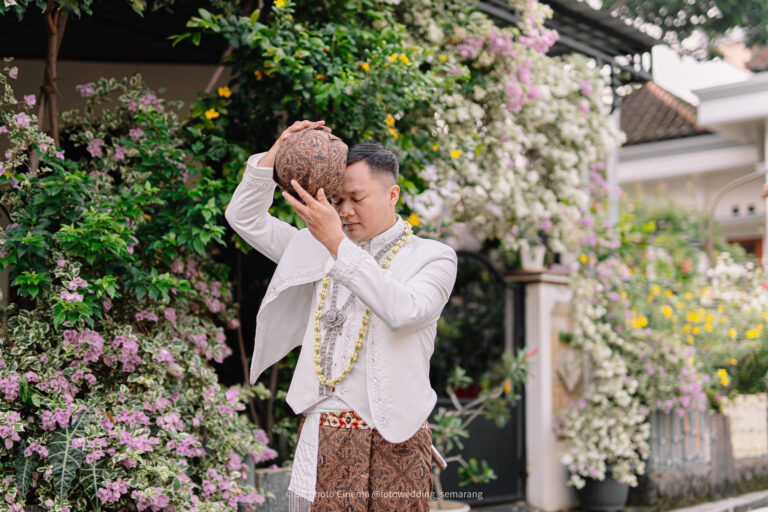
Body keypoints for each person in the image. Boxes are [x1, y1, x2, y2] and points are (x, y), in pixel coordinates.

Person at [224, 119, 458, 511]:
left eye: (356, 198)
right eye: (336, 200)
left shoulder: (433, 256)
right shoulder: (313, 246)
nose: (344, 211)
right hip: (324, 429)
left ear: (393, 194)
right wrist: (276, 151)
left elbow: (404, 311)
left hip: (397, 436)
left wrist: (335, 243)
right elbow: (244, 217)